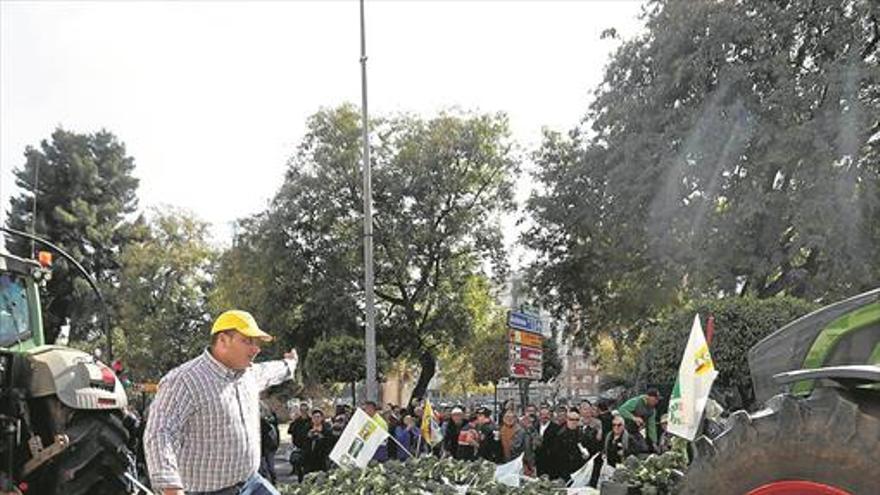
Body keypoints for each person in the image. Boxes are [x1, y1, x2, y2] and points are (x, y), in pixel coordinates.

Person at [144, 310, 298, 495]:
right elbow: (160, 433)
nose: (255, 349)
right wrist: (171, 488)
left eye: (256, 342)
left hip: (251, 484)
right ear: (223, 340)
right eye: (247, 341)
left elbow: (272, 370)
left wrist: (290, 364)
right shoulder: (184, 381)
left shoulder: (249, 374)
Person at [552, 408, 592, 483]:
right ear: (567, 419)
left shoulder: (582, 434)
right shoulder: (560, 434)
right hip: (565, 469)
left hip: (579, 468)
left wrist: (586, 455)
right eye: (571, 419)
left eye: (576, 419)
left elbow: (588, 448)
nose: (574, 422)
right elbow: (555, 454)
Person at [618, 388, 660, 453]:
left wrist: (654, 442)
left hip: (637, 432)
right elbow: (621, 409)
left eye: (657, 400)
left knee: (643, 449)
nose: (656, 402)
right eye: (655, 399)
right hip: (625, 430)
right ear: (647, 397)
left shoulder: (652, 411)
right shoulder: (636, 401)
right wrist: (634, 418)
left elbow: (652, 427)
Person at [301, 409, 334, 478]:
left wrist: (322, 437)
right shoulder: (307, 428)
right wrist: (308, 436)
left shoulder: (327, 429)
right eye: (314, 417)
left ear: (322, 418)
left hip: (321, 459)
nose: (316, 419)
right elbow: (301, 441)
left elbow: (330, 442)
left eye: (318, 417)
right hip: (309, 459)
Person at [258, 400, 280, 484]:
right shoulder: (268, 419)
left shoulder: (266, 420)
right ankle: (268, 483)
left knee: (269, 467)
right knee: (264, 468)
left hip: (268, 446)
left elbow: (270, 430)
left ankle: (274, 482)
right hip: (263, 446)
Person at [287, 403, 311, 481]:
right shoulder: (297, 421)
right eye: (302, 410)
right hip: (299, 447)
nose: (304, 412)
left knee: (308, 468)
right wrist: (293, 421)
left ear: (308, 410)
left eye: (305, 410)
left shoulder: (311, 420)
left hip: (309, 447)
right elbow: (290, 431)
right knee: (299, 466)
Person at [535, 404, 560, 478]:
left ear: (550, 415)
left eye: (547, 414)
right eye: (542, 414)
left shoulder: (556, 428)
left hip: (551, 462)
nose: (544, 417)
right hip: (538, 462)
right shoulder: (534, 427)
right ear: (539, 416)